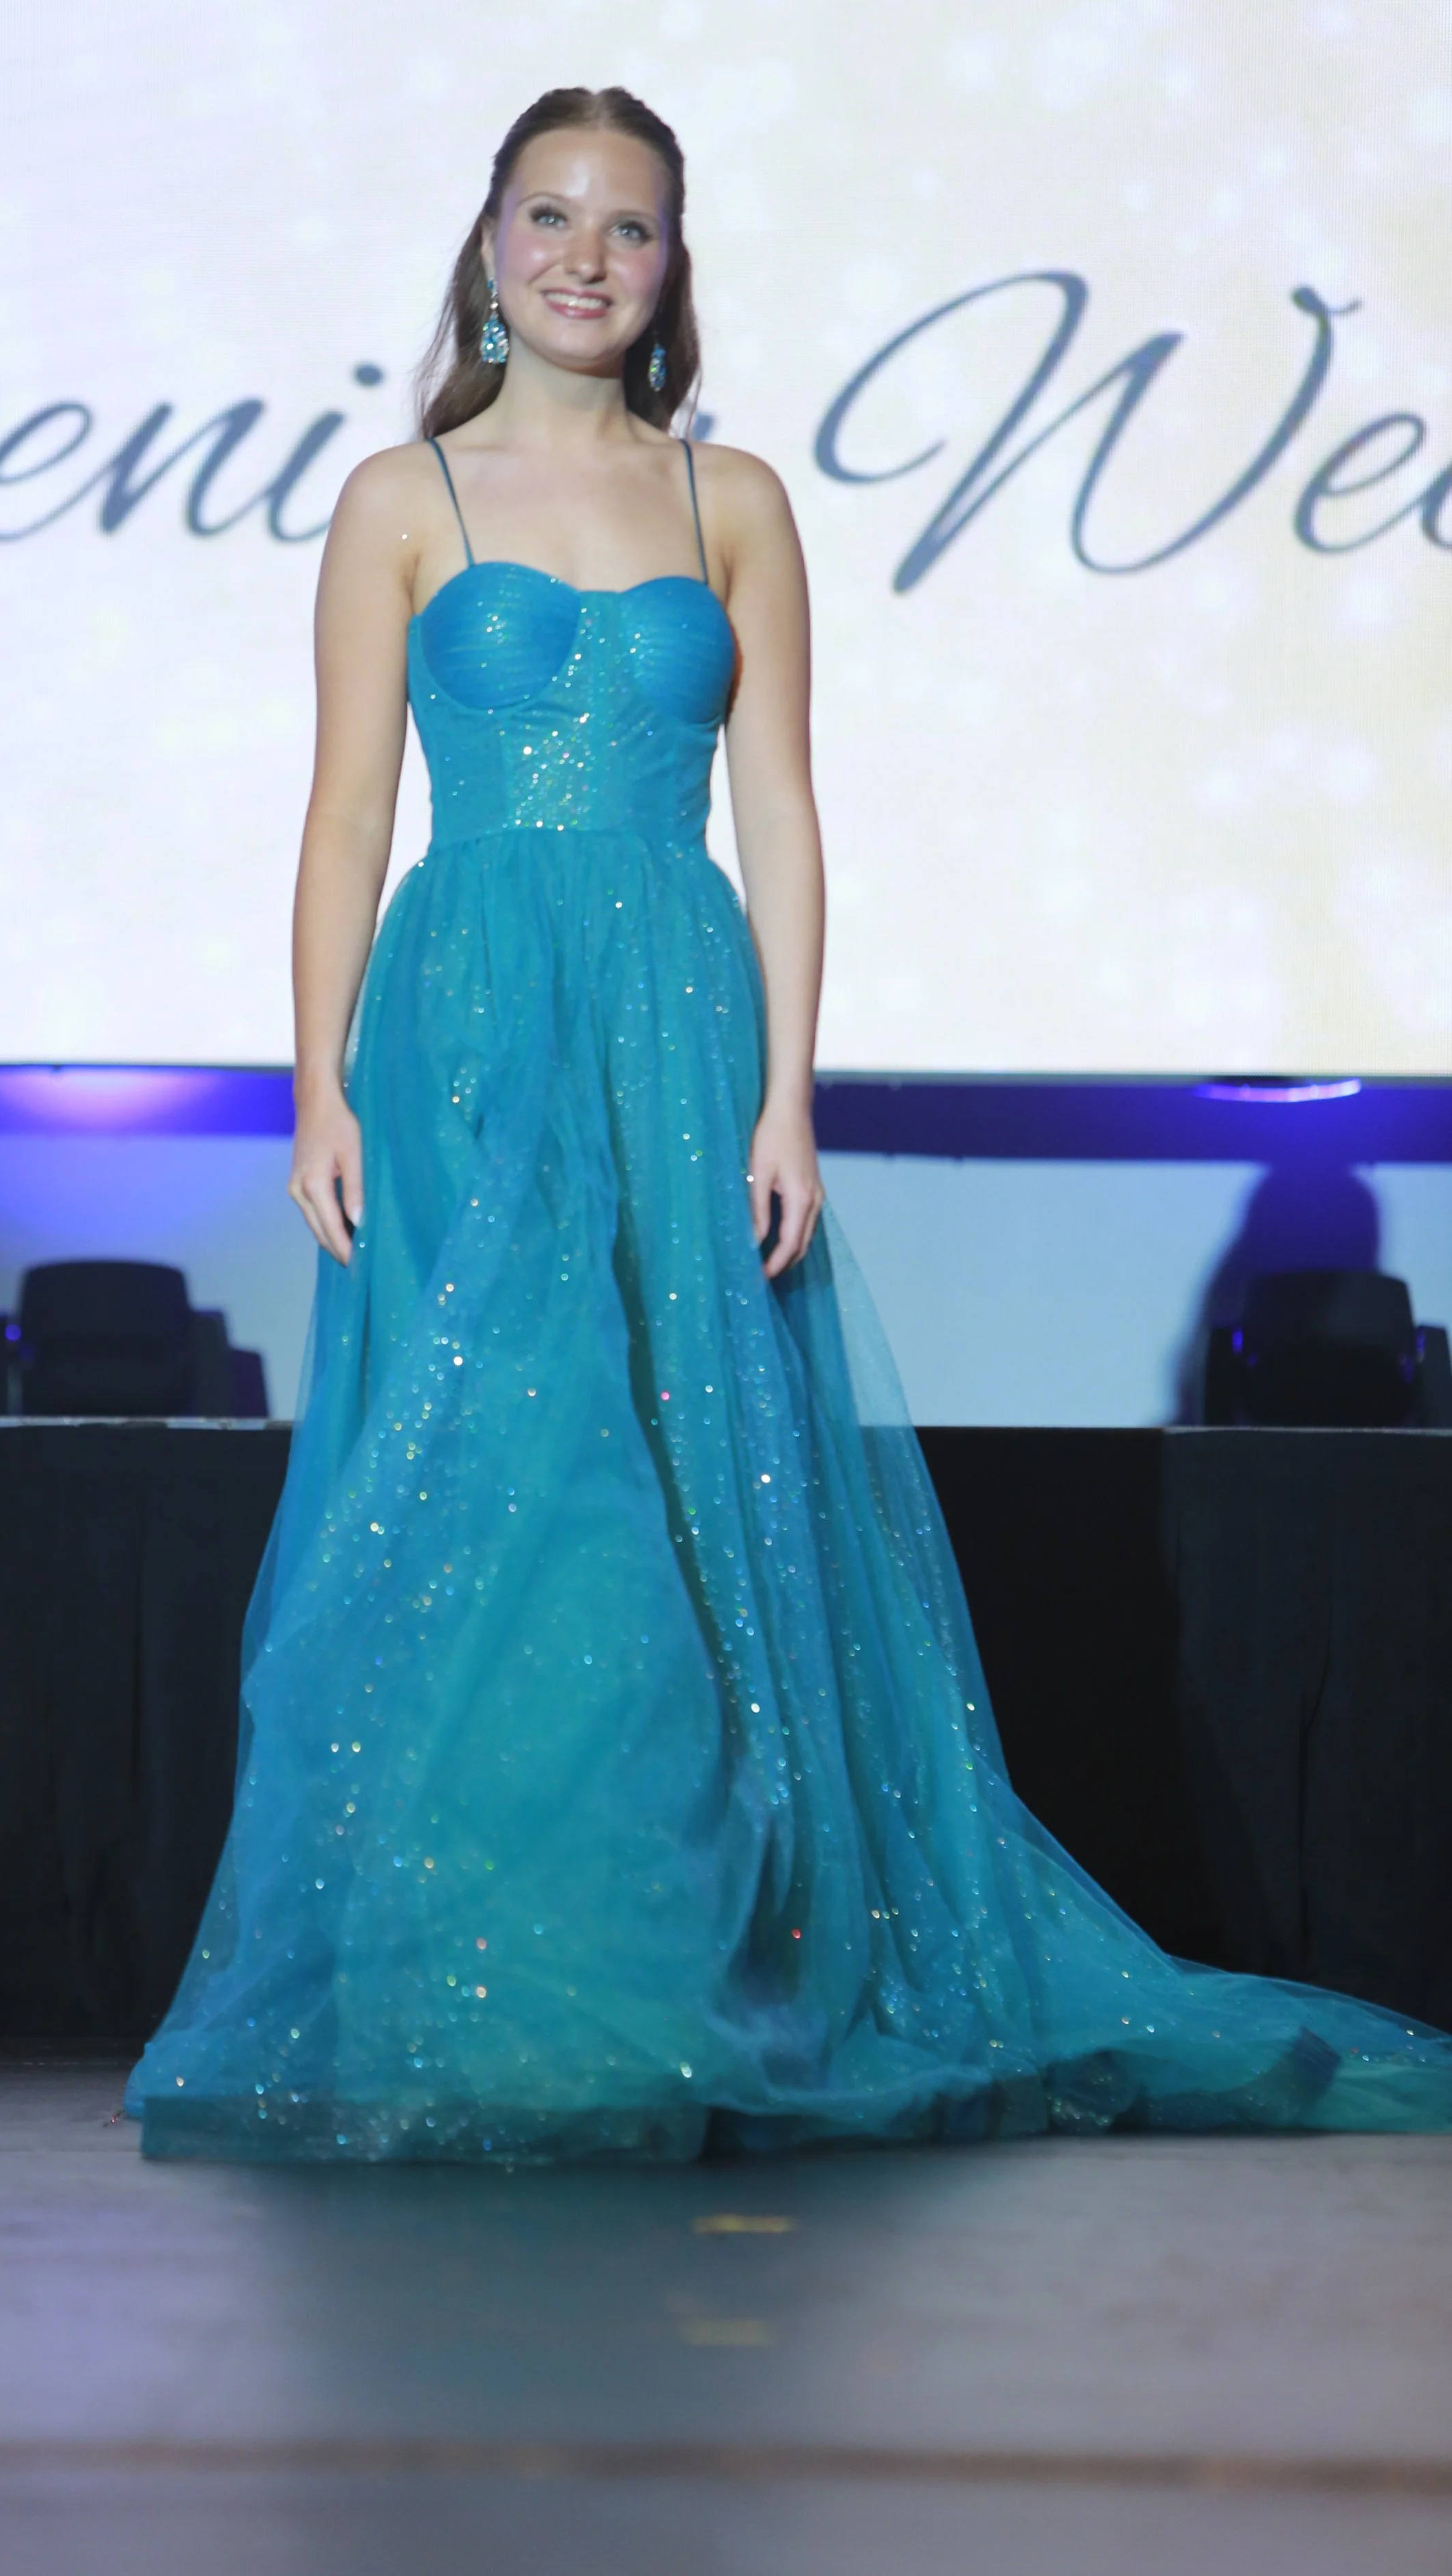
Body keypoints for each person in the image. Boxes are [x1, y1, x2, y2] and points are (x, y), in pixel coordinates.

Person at [126, 87, 1452, 2160]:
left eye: (627, 226)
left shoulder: (728, 495)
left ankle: (686, 1977)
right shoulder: (400, 498)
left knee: (677, 1474)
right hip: (468, 1027)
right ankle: (491, 1986)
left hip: (672, 1015)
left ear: (672, 263)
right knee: (501, 1483)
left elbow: (786, 811)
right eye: (548, 217)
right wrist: (311, 1079)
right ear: (486, 247)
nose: (583, 255)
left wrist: (786, 1096)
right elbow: (345, 815)